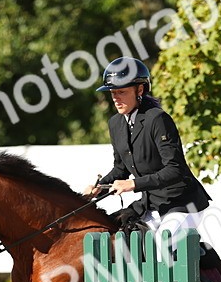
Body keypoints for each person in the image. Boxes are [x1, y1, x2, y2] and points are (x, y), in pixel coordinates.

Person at [83, 58, 213, 241]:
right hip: (150, 204)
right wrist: (98, 189)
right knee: (122, 238)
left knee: (161, 245)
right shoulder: (115, 123)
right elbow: (121, 169)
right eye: (113, 93)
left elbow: (175, 169)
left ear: (140, 90)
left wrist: (133, 184)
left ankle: (199, 253)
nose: (116, 98)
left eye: (122, 92)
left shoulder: (158, 119)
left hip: (182, 203)